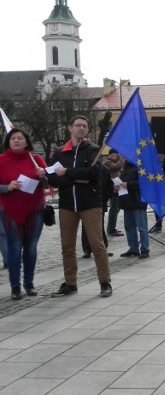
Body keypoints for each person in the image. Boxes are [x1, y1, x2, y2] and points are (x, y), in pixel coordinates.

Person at [47, 115, 112, 298]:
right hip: (67, 204)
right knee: (67, 245)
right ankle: (70, 283)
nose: (81, 128)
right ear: (70, 128)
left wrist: (67, 173)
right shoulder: (60, 152)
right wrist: (76, 178)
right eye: (77, 125)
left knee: (97, 244)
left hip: (90, 203)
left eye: (84, 126)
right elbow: (52, 177)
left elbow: (93, 174)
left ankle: (105, 282)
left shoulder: (93, 150)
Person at [0, 128, 48, 300]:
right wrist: (7, 187)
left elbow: (48, 184)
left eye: (20, 138)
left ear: (27, 142)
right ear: (8, 142)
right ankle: (15, 286)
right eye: (13, 138)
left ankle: (29, 283)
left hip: (34, 211)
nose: (17, 141)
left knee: (31, 247)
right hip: (10, 211)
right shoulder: (1, 160)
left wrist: (42, 175)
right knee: (14, 248)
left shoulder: (35, 159)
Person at [117, 160, 150, 258]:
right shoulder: (125, 167)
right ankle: (133, 248)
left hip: (137, 201)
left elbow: (145, 181)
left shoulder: (141, 164)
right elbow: (122, 180)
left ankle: (144, 249)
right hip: (126, 201)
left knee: (141, 227)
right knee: (129, 227)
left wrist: (128, 184)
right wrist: (117, 185)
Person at [104, 149, 124, 237]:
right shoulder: (108, 162)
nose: (117, 156)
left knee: (116, 209)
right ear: (111, 155)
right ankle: (111, 229)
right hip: (113, 190)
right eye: (116, 155)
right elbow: (114, 167)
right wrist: (121, 159)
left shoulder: (118, 163)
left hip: (118, 189)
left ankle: (112, 227)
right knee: (114, 209)